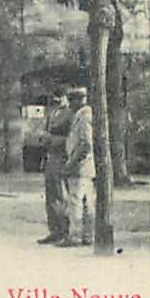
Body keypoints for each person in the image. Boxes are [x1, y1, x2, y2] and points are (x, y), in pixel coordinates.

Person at [58, 86, 95, 248]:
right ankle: (87, 235)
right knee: (86, 202)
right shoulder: (80, 116)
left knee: (76, 202)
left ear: (79, 100)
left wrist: (70, 163)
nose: (69, 104)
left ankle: (75, 236)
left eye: (72, 100)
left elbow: (86, 144)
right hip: (84, 167)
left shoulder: (84, 116)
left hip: (80, 167)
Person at [38, 87, 73, 244]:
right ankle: (54, 229)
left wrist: (52, 139)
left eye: (60, 96)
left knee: (61, 194)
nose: (57, 99)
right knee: (51, 194)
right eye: (55, 96)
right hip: (50, 156)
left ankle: (64, 230)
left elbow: (71, 138)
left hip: (62, 156)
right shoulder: (52, 113)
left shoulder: (70, 114)